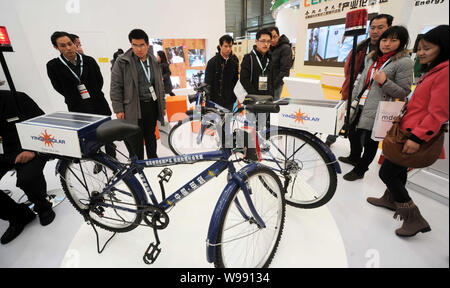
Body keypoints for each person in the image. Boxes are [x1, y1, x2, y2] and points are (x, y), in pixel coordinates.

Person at [368, 25, 449, 237]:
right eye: (419, 48)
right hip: (407, 129)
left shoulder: (446, 72)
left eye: (427, 48)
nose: (421, 53)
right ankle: (391, 199)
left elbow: (438, 112)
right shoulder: (434, 69)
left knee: (386, 172)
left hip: (415, 134)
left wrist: (417, 137)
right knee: (398, 170)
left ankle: (413, 217)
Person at [342, 26, 414, 181]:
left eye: (393, 40)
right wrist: (350, 102)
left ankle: (360, 170)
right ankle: (354, 157)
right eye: (384, 39)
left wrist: (385, 82)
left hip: (378, 109)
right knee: (352, 132)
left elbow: (404, 91)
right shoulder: (371, 57)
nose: (387, 44)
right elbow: (361, 82)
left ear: (401, 43)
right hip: (359, 104)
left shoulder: (404, 62)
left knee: (370, 141)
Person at [46, 31, 116, 158]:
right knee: (89, 137)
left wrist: (92, 94)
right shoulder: (53, 66)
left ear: (74, 44)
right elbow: (58, 87)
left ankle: (112, 157)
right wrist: (75, 96)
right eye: (63, 45)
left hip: (98, 103)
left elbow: (99, 81)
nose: (68, 48)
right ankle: (98, 160)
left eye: (70, 44)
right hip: (77, 107)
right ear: (56, 47)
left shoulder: (89, 61)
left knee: (108, 134)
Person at [328, 14, 394, 147]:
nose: (375, 31)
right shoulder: (361, 46)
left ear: (389, 28)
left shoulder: (392, 53)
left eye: (380, 27)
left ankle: (360, 160)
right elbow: (349, 69)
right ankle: (333, 142)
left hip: (374, 96)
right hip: (353, 89)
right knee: (343, 118)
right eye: (373, 28)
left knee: (365, 130)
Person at [0, 90, 55, 244]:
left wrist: (33, 151)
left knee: (27, 178)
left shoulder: (16, 98)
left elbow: (45, 125)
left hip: (28, 150)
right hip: (4, 155)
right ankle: (18, 216)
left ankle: (43, 206)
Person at [110, 28, 166, 160]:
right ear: (131, 44)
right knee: (135, 137)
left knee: (150, 135)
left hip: (151, 105)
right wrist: (118, 109)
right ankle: (137, 162)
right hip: (133, 106)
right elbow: (115, 87)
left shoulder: (153, 60)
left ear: (147, 45)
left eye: (141, 45)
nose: (138, 49)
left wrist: (162, 105)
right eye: (135, 45)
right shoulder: (122, 62)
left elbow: (159, 85)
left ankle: (153, 159)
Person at [204, 35, 239, 111]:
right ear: (220, 46)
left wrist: (234, 96)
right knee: (215, 122)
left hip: (229, 100)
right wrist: (208, 99)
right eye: (225, 46)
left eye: (230, 46)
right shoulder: (212, 62)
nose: (228, 49)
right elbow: (207, 82)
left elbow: (236, 80)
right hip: (215, 101)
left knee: (227, 121)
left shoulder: (234, 61)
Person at [240, 28, 273, 98]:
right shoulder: (249, 58)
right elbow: (244, 80)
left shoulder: (270, 59)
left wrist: (271, 95)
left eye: (268, 41)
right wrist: (255, 96)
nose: (266, 44)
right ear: (256, 41)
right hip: (253, 99)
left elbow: (271, 80)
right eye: (263, 41)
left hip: (267, 98)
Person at [268, 27, 293, 101]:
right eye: (270, 38)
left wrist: (275, 84)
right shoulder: (271, 47)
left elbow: (285, 69)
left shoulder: (285, 48)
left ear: (278, 35)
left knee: (275, 101)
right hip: (269, 82)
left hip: (277, 83)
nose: (272, 40)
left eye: (274, 37)